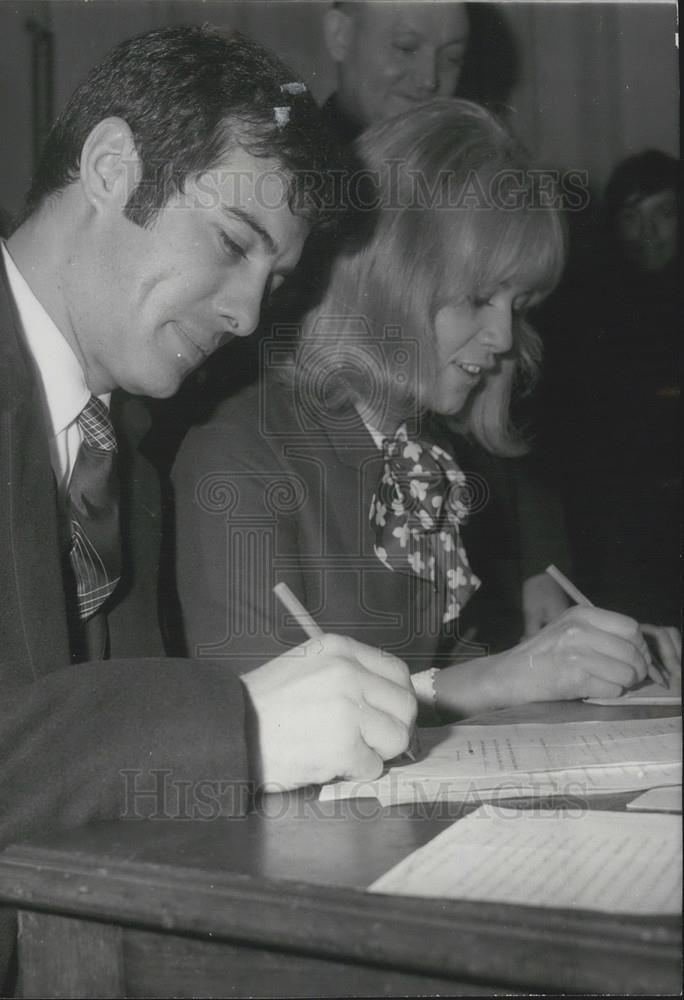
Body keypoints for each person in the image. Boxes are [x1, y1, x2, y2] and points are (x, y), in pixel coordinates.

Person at [0, 22, 418, 878]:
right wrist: (240, 730)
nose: (247, 316)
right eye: (232, 243)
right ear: (111, 167)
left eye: (273, 281)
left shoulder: (127, 463)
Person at [173, 100, 679, 723]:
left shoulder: (423, 458)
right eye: (477, 297)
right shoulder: (241, 453)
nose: (504, 338)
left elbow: (443, 672)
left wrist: (575, 663)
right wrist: (504, 676)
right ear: (390, 278)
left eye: (518, 305)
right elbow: (258, 732)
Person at [318, 0, 574, 649]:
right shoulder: (296, 184)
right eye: (406, 47)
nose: (430, 78)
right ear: (339, 33)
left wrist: (541, 560)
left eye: (452, 57)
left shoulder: (478, 175)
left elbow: (499, 391)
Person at [539, 150, 680, 624]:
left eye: (663, 213)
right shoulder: (584, 311)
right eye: (630, 216)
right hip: (624, 536)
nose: (647, 233)